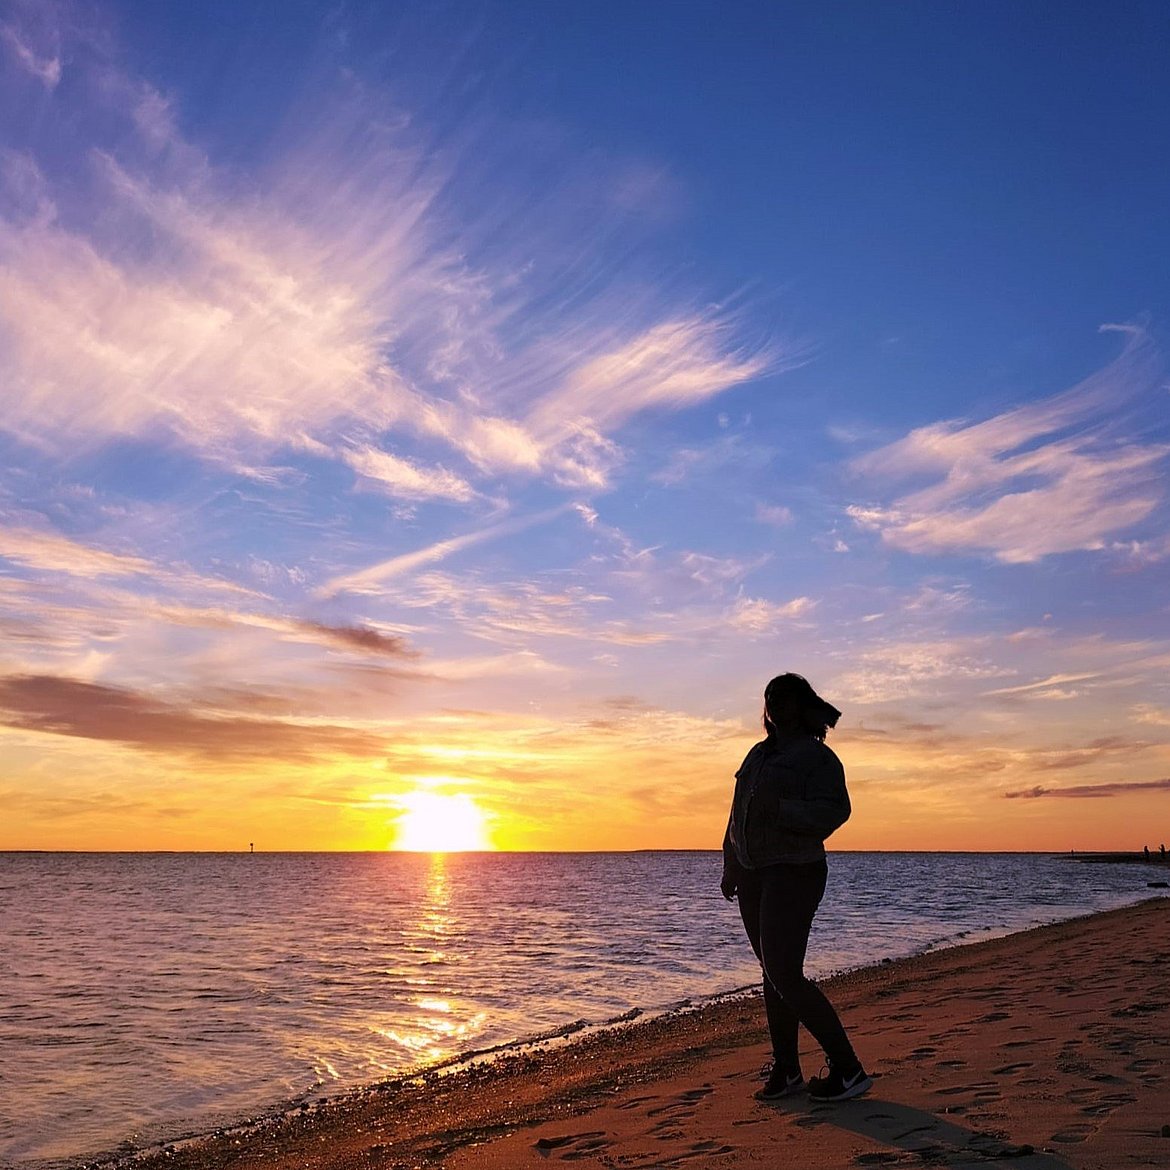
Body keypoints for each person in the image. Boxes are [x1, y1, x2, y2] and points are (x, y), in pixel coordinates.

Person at [721, 672, 871, 1103]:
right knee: (773, 972)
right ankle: (787, 1070)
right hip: (752, 872)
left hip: (794, 870)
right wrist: (730, 863)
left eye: (783, 698)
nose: (774, 705)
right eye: (769, 698)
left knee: (784, 972)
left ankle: (848, 1069)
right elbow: (736, 813)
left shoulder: (816, 757)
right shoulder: (758, 754)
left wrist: (783, 810)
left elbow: (835, 811)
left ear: (801, 706)